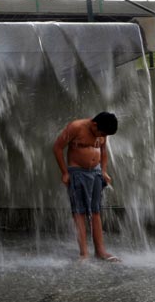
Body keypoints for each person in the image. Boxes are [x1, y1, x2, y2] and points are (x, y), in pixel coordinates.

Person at [52, 111, 120, 262]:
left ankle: (100, 251)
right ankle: (84, 253)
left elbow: (103, 151)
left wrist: (103, 171)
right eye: (100, 133)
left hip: (95, 172)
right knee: (79, 213)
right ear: (94, 124)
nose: (101, 136)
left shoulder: (103, 131)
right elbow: (57, 147)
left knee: (96, 212)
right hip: (77, 173)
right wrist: (65, 173)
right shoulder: (76, 127)